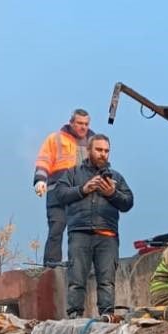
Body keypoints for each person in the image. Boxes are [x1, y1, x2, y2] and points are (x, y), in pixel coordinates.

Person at [62, 134, 134, 316]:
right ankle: (74, 316)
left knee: (107, 281)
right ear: (89, 150)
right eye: (99, 150)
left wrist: (112, 193)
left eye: (106, 151)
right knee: (76, 279)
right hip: (79, 233)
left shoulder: (116, 177)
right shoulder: (73, 173)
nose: (103, 154)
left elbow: (128, 202)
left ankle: (107, 316)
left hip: (107, 235)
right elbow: (59, 195)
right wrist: (83, 189)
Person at [33, 108, 93, 268]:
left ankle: (81, 264)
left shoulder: (93, 142)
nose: (83, 127)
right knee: (56, 228)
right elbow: (43, 161)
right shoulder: (56, 139)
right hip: (57, 191)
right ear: (71, 123)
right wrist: (40, 180)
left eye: (86, 124)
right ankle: (51, 265)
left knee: (82, 231)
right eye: (80, 123)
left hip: (81, 194)